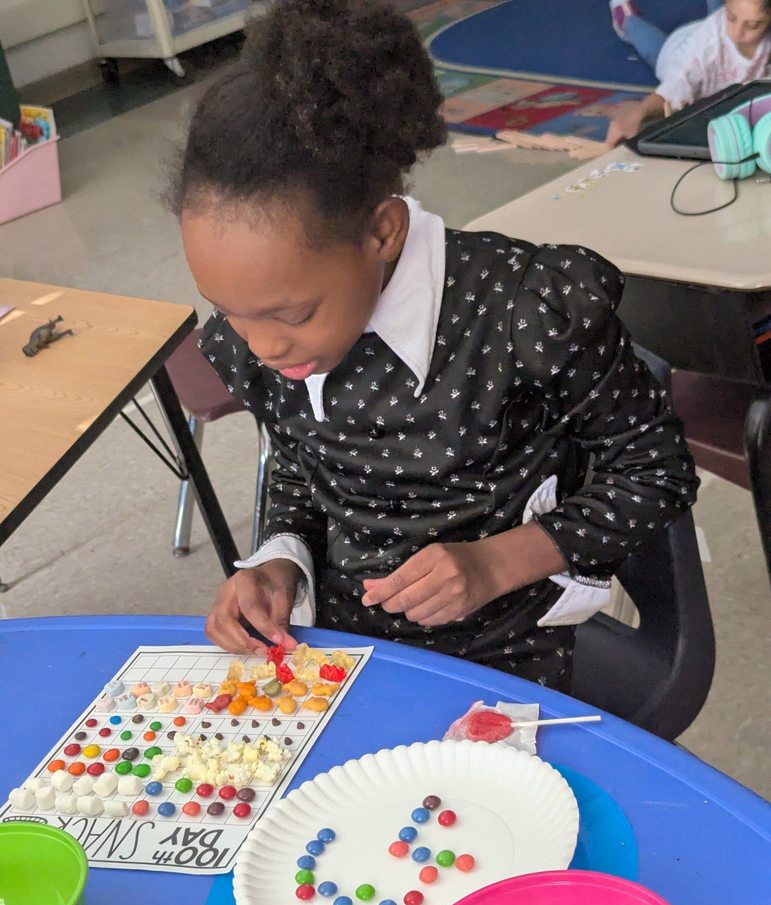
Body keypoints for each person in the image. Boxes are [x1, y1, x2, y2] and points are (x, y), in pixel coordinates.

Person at [171, 0, 698, 692]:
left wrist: (497, 562)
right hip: (342, 649)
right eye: (228, 313)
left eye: (291, 313)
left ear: (383, 232)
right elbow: (302, 463)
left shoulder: (524, 312)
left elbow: (656, 471)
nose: (262, 344)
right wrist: (279, 561)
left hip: (510, 654)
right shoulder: (257, 344)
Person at [606, 0, 771, 146]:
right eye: (731, 17)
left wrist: (733, 18)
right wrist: (641, 111)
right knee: (653, 47)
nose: (737, 33)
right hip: (675, 49)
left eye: (752, 25)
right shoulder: (703, 49)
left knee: (725, 18)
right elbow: (674, 87)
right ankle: (626, 17)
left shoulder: (742, 24)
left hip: (715, 29)